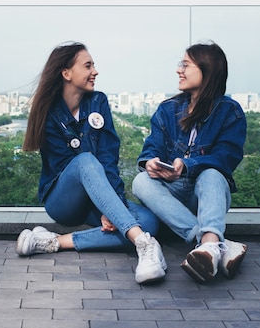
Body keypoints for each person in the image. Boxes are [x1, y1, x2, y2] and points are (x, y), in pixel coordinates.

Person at [16, 41, 166, 284]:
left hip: (97, 199)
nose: (95, 71)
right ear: (66, 73)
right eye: (88, 66)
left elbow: (109, 158)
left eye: (93, 65)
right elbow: (71, 167)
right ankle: (143, 244)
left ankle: (54, 241)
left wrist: (112, 206)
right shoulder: (49, 112)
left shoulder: (98, 102)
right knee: (85, 160)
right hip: (63, 201)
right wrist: (109, 211)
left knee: (149, 221)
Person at [132, 42, 248, 283]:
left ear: (207, 70)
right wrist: (151, 162)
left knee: (213, 173)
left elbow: (226, 158)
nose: (178, 70)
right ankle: (213, 243)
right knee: (141, 181)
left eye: (185, 65)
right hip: (171, 194)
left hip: (206, 194)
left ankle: (208, 243)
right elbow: (151, 146)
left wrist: (188, 165)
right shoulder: (167, 110)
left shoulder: (230, 112)